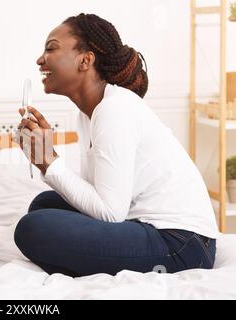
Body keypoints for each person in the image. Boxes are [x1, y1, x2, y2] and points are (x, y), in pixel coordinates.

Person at [14, 13, 218, 277]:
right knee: (44, 204)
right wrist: (46, 158)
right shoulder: (89, 113)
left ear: (85, 60)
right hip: (141, 223)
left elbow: (110, 213)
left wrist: (49, 161)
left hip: (182, 245)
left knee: (32, 229)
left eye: (51, 48)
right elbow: (97, 196)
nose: (40, 59)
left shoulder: (115, 109)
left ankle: (90, 264)